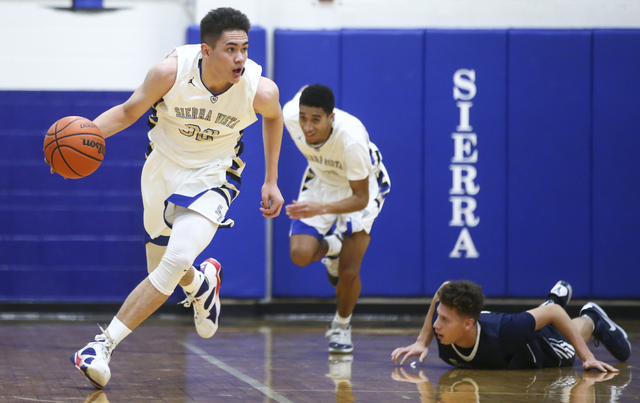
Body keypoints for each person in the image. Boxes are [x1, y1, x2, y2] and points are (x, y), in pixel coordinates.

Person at [65, 7, 284, 389]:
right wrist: (81, 138)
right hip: (162, 169)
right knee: (161, 268)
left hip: (214, 174)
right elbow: (129, 110)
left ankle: (100, 346)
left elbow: (274, 117)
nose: (240, 58)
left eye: (244, 49)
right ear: (205, 50)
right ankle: (202, 285)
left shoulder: (259, 89)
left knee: (176, 259)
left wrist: (271, 180)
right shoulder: (170, 71)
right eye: (230, 49)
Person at [282, 85, 391, 353]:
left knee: (349, 272)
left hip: (360, 187)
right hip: (322, 180)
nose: (307, 127)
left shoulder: (351, 139)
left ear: (331, 118)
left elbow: (360, 198)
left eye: (316, 120)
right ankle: (332, 250)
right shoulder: (289, 115)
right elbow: (304, 91)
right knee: (300, 254)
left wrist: (320, 209)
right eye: (303, 118)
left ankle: (341, 325)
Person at [391, 280, 631, 371]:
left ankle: (591, 317)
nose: (436, 324)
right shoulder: (443, 331)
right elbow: (443, 289)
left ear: (468, 324)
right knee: (536, 317)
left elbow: (555, 315)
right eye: (438, 316)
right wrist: (422, 341)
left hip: (537, 344)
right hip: (516, 328)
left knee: (566, 348)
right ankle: (551, 299)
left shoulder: (505, 331)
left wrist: (587, 357)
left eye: (444, 319)